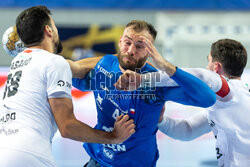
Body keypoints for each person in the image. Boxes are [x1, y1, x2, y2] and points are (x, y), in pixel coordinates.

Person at [0, 6, 135, 167]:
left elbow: (77, 67)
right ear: (48, 30)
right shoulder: (53, 62)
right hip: (31, 155)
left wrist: (121, 59)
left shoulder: (19, 62)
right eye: (54, 26)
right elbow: (67, 127)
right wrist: (113, 137)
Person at [70, 20, 216, 167]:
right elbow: (69, 74)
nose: (131, 50)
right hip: (97, 160)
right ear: (120, 41)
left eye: (140, 46)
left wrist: (165, 66)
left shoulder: (154, 82)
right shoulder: (104, 65)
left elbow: (207, 98)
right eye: (127, 43)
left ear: (150, 51)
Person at [120, 38, 250, 167]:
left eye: (208, 62)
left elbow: (203, 76)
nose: (206, 67)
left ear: (216, 67)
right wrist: (161, 121)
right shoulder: (228, 103)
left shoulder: (230, 93)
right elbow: (189, 130)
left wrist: (144, 78)